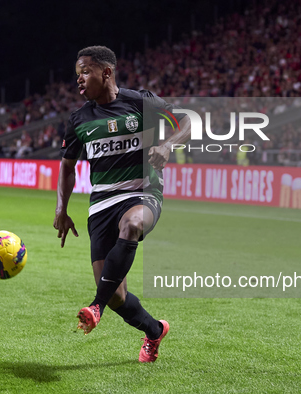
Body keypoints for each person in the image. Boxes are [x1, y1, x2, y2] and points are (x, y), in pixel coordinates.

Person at [53, 46, 190, 363]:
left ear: (106, 72)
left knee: (132, 225)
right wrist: (61, 209)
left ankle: (95, 307)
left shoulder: (141, 102)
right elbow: (66, 165)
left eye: (85, 72)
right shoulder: (78, 120)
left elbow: (186, 121)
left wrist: (168, 144)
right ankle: (154, 331)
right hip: (101, 205)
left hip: (141, 192)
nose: (80, 81)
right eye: (77, 75)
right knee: (118, 295)